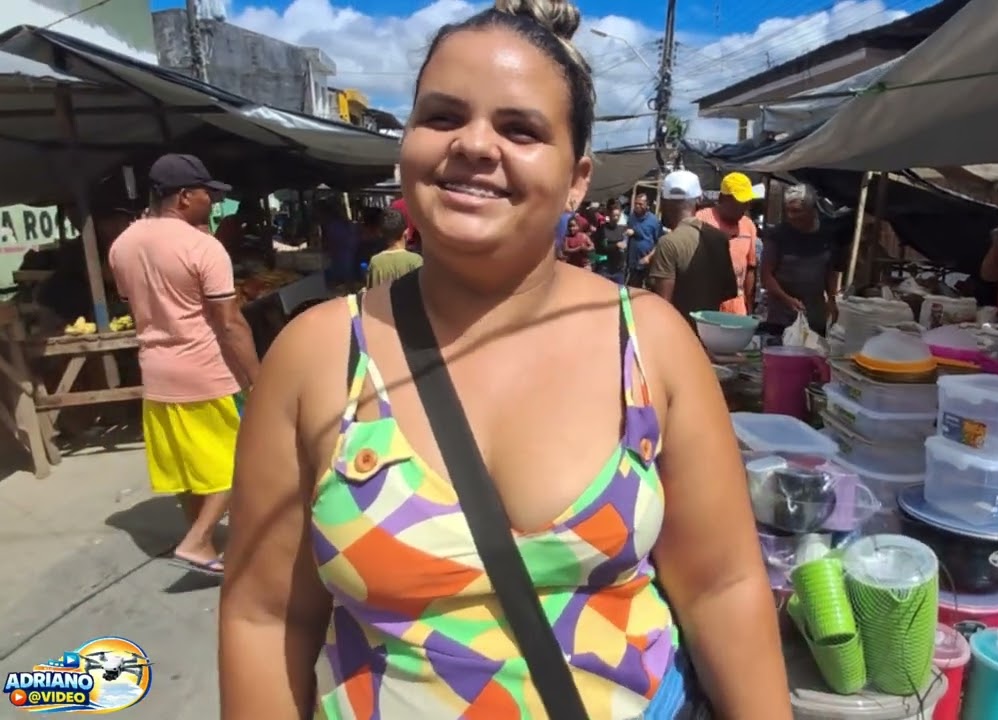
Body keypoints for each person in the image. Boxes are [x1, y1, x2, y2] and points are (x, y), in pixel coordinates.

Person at [218, 1, 790, 718]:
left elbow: (722, 587)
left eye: (520, 129)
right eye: (442, 116)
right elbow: (265, 617)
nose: (474, 145)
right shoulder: (317, 354)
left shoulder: (650, 341)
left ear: (578, 177)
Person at [108, 154, 259, 577]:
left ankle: (203, 541)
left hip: (156, 371)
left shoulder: (123, 244)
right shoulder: (203, 247)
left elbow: (136, 302)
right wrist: (259, 380)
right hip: (206, 371)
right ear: (184, 197)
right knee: (244, 460)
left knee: (191, 469)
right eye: (207, 193)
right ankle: (197, 540)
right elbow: (229, 323)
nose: (213, 201)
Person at [760, 183, 850, 337]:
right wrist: (787, 300)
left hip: (815, 316)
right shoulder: (777, 235)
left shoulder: (826, 236)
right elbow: (766, 276)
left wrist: (832, 300)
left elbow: (829, 271)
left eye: (797, 211)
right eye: (788, 210)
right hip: (782, 318)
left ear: (812, 210)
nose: (791, 216)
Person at [648, 170, 739, 321]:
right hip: (709, 329)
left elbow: (663, 305)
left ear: (664, 203)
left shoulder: (668, 243)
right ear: (699, 200)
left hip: (679, 330)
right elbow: (730, 291)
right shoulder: (719, 238)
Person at [696, 172, 758, 315]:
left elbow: (751, 268)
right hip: (705, 302)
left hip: (736, 305)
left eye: (747, 202)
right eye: (739, 202)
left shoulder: (748, 226)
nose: (744, 207)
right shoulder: (701, 220)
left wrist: (749, 305)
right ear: (722, 198)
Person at [365, 207, 423, 287]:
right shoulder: (416, 260)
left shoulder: (375, 262)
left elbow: (372, 291)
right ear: (406, 232)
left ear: (381, 233)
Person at [624, 192, 662, 287]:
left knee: (647, 290)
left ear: (646, 205)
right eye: (636, 203)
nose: (637, 206)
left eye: (640, 204)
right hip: (633, 264)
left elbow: (659, 243)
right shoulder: (632, 218)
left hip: (647, 264)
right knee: (633, 289)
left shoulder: (654, 221)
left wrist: (648, 257)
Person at [597, 202, 627, 282]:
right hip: (605, 267)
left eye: (618, 216)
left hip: (618, 269)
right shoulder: (602, 230)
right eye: (614, 215)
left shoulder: (622, 229)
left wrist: (634, 232)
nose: (616, 218)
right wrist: (616, 245)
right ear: (609, 215)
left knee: (621, 290)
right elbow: (602, 247)